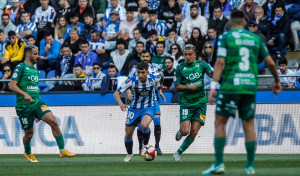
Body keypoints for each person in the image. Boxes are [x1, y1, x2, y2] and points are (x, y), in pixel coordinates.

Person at [202, 10, 281, 175]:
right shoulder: (255, 38)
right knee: (249, 125)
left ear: (230, 23)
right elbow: (271, 63)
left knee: (220, 122)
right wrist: (277, 80)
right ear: (245, 23)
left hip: (230, 87)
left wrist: (214, 86)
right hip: (249, 87)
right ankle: (250, 167)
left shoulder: (225, 38)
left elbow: (220, 62)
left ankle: (219, 164)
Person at [9, 45, 76, 162]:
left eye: (37, 53)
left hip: (37, 102)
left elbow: (34, 89)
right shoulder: (21, 67)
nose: (38, 56)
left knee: (53, 121)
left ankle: (62, 150)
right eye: (35, 53)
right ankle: (28, 153)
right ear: (28, 54)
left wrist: (37, 112)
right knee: (29, 134)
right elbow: (12, 85)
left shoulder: (35, 70)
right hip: (24, 106)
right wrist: (24, 94)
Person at [114, 62, 161, 162]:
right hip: (134, 109)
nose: (140, 75)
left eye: (143, 72)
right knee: (128, 135)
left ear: (147, 72)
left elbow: (162, 74)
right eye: (138, 72)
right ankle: (129, 155)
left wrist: (159, 88)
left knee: (144, 125)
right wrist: (121, 104)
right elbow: (116, 93)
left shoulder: (153, 78)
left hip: (149, 107)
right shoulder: (131, 80)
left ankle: (144, 145)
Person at [172, 44, 212, 162]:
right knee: (185, 131)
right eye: (185, 55)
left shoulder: (202, 65)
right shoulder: (180, 68)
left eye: (190, 54)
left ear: (195, 54)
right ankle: (180, 131)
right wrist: (189, 87)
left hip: (200, 103)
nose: (187, 57)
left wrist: (215, 74)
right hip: (186, 103)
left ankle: (177, 152)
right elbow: (177, 87)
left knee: (194, 131)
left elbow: (211, 74)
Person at [127, 50, 166, 155]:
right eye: (143, 56)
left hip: (153, 99)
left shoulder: (153, 68)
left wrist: (160, 91)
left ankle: (157, 146)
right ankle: (141, 147)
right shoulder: (134, 69)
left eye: (147, 56)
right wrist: (129, 93)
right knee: (141, 125)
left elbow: (157, 81)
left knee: (157, 121)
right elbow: (128, 83)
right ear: (140, 57)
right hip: (139, 101)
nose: (145, 58)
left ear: (150, 57)